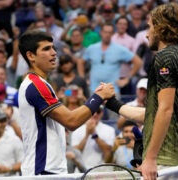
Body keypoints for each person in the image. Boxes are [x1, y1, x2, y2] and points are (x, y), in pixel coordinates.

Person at [104, 3, 178, 179]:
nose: (147, 34)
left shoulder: (165, 57)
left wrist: (150, 158)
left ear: (162, 27)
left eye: (150, 27)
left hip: (167, 160)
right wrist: (112, 103)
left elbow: (165, 110)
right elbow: (154, 114)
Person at [18, 30, 115, 175]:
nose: (53, 53)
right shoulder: (36, 85)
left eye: (53, 48)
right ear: (31, 56)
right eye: (46, 49)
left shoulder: (40, 83)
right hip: (43, 171)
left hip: (48, 169)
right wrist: (98, 96)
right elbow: (71, 121)